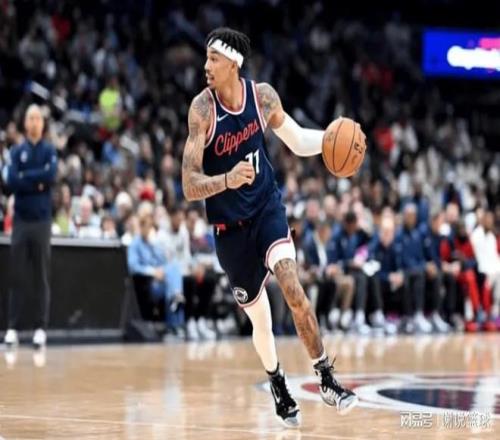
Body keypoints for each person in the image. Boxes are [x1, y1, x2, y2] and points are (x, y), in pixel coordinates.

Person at [181, 27, 358, 428]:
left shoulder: (262, 97)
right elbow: (189, 184)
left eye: (213, 59)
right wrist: (227, 179)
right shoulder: (202, 110)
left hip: (266, 211)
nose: (206, 66)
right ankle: (278, 381)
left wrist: (331, 138)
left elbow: (297, 140)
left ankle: (325, 377)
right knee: (260, 321)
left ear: (233, 64)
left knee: (292, 286)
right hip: (230, 231)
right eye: (206, 58)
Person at [4, 104, 57, 348]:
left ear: (42, 124)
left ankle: (40, 329)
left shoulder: (49, 150)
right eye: (31, 118)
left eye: (38, 118)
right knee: (17, 275)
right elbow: (12, 180)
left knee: (41, 276)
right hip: (21, 221)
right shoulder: (17, 151)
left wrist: (26, 177)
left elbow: (51, 176)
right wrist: (35, 180)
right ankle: (12, 328)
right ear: (25, 123)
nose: (35, 122)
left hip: (42, 221)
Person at [127, 204, 185, 337]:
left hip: (161, 282)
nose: (148, 229)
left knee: (174, 269)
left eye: (150, 225)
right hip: (147, 284)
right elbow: (133, 266)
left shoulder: (153, 242)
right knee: (173, 290)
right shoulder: (135, 243)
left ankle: (176, 321)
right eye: (146, 225)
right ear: (141, 226)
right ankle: (175, 324)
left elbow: (164, 261)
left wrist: (155, 245)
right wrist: (153, 272)